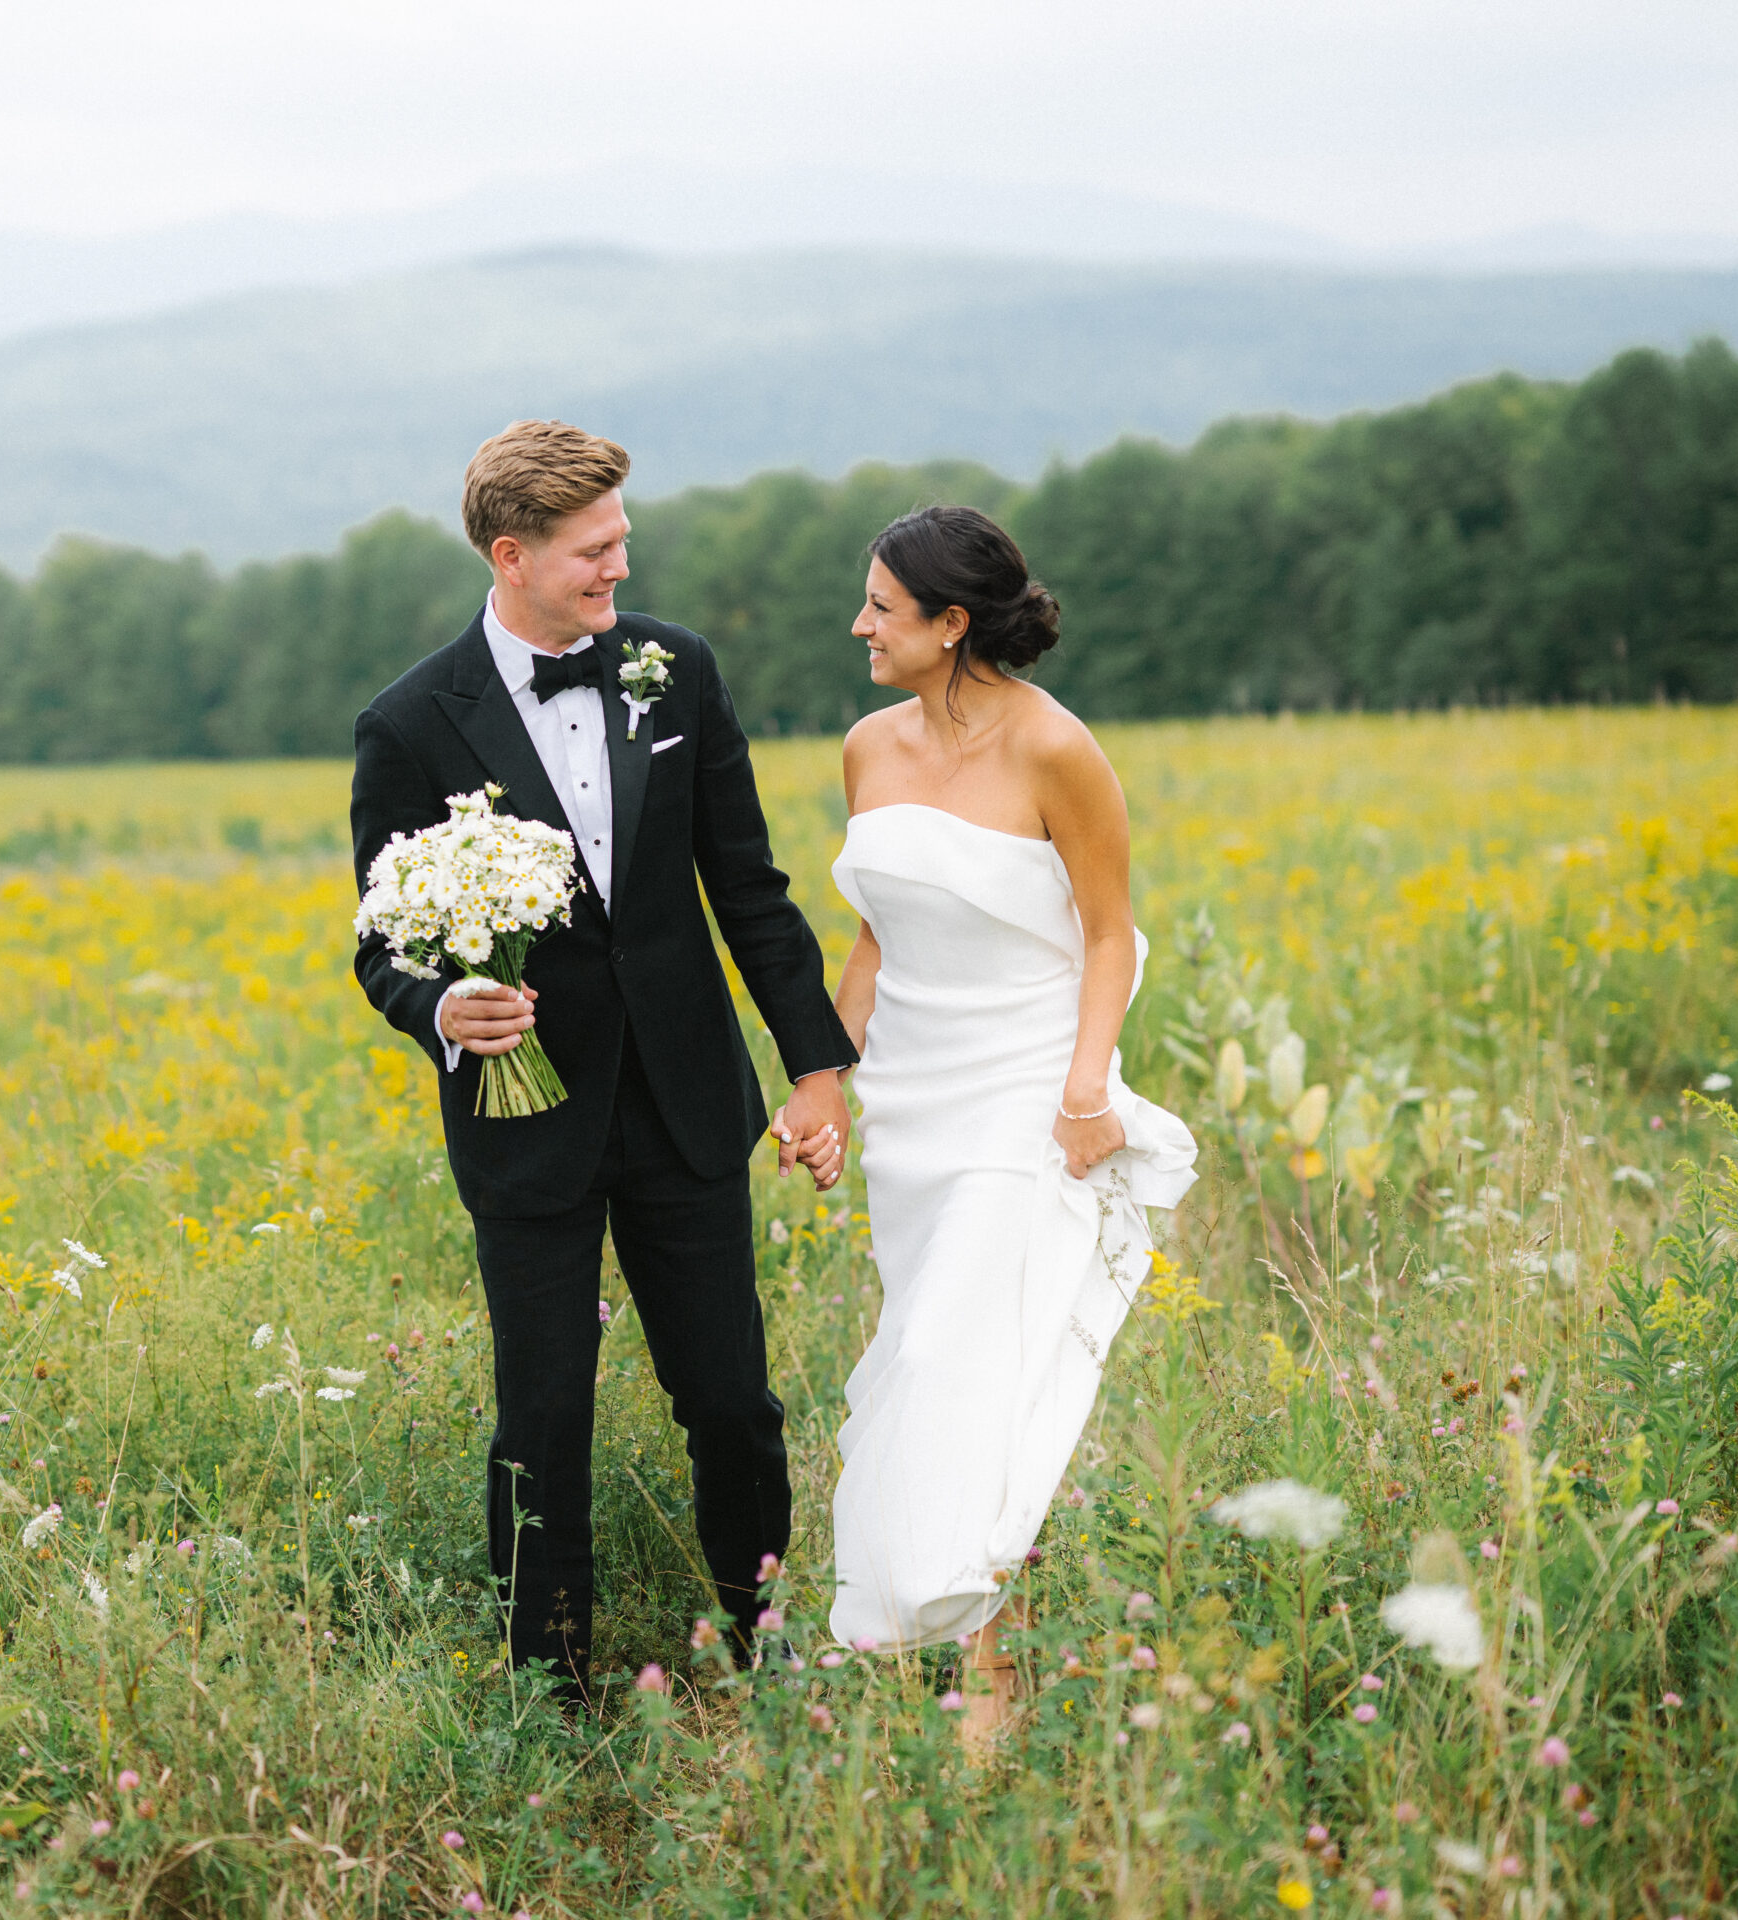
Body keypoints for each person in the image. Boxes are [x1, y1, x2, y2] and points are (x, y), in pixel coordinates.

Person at [349, 420, 856, 1704]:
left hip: (686, 1105)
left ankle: (763, 1640)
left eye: (622, 542)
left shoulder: (674, 675)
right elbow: (379, 938)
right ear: (511, 556)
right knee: (543, 1420)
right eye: (595, 552)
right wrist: (438, 1008)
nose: (620, 571)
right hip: (527, 1126)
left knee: (733, 1401)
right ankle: (548, 1688)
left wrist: (815, 1070)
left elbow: (749, 889)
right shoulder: (408, 723)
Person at [804, 504, 1198, 1749]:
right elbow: (876, 929)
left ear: (951, 623)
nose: (860, 624)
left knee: (954, 1365)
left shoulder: (1057, 751)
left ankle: (982, 1675)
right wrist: (823, 1079)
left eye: (881, 605)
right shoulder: (867, 748)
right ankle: (940, 1644)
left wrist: (1086, 1091)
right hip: (910, 1102)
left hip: (1022, 1093)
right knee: (930, 1356)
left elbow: (1107, 934)